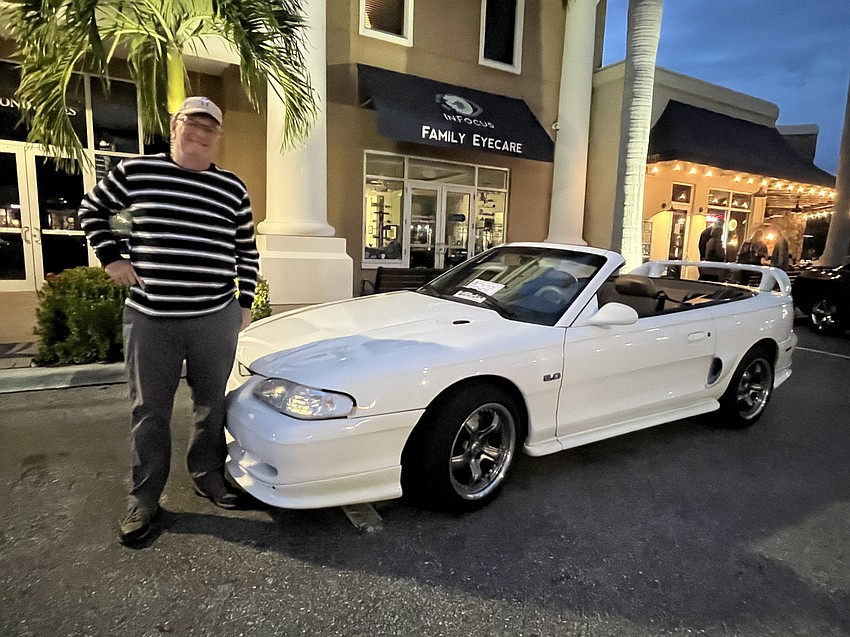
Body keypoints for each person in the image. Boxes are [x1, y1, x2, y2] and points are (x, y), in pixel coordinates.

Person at [78, 96, 260, 546]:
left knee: (211, 405)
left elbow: (246, 250)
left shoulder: (232, 188)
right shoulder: (136, 173)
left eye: (209, 127)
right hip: (151, 318)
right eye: (192, 123)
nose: (200, 133)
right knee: (149, 411)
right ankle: (144, 497)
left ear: (218, 137)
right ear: (175, 126)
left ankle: (208, 475)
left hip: (213, 316)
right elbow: (92, 210)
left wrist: (244, 303)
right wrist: (112, 257)